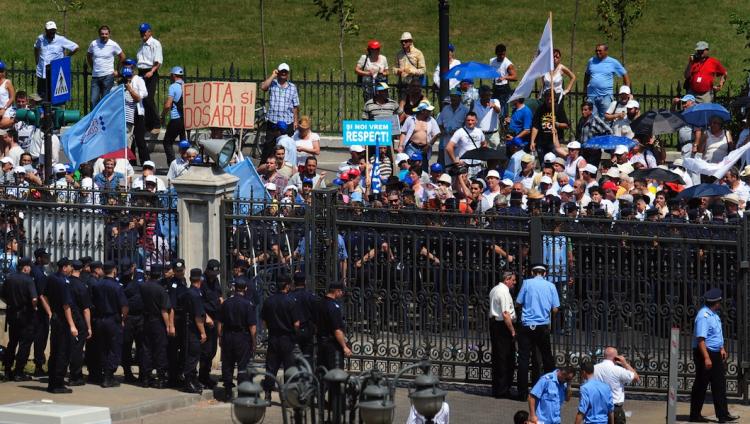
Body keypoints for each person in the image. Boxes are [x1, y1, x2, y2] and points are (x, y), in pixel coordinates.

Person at [689, 289, 739, 423]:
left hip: (715, 352)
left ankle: (723, 414)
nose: (720, 303)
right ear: (715, 302)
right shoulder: (703, 316)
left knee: (719, 384)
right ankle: (694, 415)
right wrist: (706, 357)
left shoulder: (714, 315)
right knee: (701, 384)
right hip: (705, 353)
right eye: (719, 301)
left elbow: (717, 334)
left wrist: (721, 348)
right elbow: (701, 340)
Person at [515, 263, 560, 400]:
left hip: (527, 325)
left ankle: (522, 393)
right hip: (542, 325)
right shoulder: (551, 286)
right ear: (545, 273)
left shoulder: (527, 283)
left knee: (523, 358)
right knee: (547, 358)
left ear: (533, 272)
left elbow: (518, 302)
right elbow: (555, 308)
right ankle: (550, 389)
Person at [217, 274, 257, 400]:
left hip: (228, 335)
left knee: (228, 364)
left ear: (234, 288)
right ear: (245, 288)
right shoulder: (248, 304)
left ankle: (228, 390)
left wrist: (220, 336)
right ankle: (241, 393)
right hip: (242, 337)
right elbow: (252, 326)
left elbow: (220, 322)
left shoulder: (226, 303)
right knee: (242, 365)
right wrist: (254, 341)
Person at [260, 274, 299, 400]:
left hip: (273, 337)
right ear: (287, 286)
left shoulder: (268, 301)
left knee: (271, 368)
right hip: (287, 338)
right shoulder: (291, 301)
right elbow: (296, 323)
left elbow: (264, 322)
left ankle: (267, 394)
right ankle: (289, 396)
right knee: (289, 368)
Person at [91, 261, 129, 388]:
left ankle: (104, 373)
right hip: (112, 320)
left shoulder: (97, 284)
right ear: (114, 271)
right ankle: (108, 376)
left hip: (100, 319)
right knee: (114, 347)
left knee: (103, 347)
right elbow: (124, 306)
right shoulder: (117, 286)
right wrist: (123, 318)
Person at [44, 257, 78, 393]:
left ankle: (52, 382)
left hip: (55, 318)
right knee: (62, 352)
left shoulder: (51, 278)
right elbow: (66, 306)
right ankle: (57, 384)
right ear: (64, 268)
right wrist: (72, 325)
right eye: (70, 266)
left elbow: (44, 296)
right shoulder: (63, 282)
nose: (71, 269)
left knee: (55, 351)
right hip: (63, 321)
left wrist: (50, 312)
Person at [1, 258, 37, 382]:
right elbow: (33, 299)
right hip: (26, 315)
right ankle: (19, 372)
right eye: (29, 267)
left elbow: (3, 295)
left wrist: (11, 303)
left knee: (12, 343)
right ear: (25, 267)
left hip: (12, 314)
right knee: (24, 344)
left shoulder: (9, 278)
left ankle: (7, 370)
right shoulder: (28, 280)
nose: (30, 269)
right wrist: (35, 307)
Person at [139, 264, 171, 388]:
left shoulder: (142, 286)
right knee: (160, 349)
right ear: (160, 274)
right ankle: (161, 378)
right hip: (157, 321)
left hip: (145, 320)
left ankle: (146, 378)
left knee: (146, 349)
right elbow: (164, 310)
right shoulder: (161, 289)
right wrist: (168, 325)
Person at [178, 268, 208, 394]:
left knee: (191, 355)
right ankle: (188, 382)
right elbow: (198, 316)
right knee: (193, 356)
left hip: (186, 327)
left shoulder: (188, 292)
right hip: (193, 330)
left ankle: (193, 380)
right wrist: (203, 332)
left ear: (190, 279)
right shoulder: (195, 294)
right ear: (200, 279)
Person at [34, 21, 79, 100]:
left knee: (54, 96)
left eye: (53, 30)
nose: (52, 32)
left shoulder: (61, 39)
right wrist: (36, 60)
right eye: (50, 30)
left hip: (55, 72)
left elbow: (75, 47)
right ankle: (42, 111)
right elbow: (36, 47)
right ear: (46, 30)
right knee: (40, 96)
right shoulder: (40, 38)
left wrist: (66, 58)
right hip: (42, 72)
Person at [593, 347, 640, 424]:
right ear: (616, 358)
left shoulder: (595, 368)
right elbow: (636, 378)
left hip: (598, 407)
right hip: (615, 407)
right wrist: (625, 364)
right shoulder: (618, 370)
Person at [489, 271, 517, 398]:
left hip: (495, 324)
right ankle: (503, 389)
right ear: (507, 280)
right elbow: (506, 314)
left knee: (498, 357)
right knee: (505, 358)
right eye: (513, 280)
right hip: (503, 326)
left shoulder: (494, 289)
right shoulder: (504, 292)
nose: (514, 282)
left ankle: (497, 388)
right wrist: (512, 330)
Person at [584, 44, 630, 118]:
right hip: (592, 95)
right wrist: (585, 89)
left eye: (600, 51)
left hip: (606, 96)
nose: (598, 52)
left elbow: (624, 74)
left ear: (606, 51)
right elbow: (587, 75)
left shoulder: (613, 62)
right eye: (596, 51)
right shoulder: (591, 61)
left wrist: (627, 90)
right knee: (591, 119)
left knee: (606, 119)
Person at [66, 260, 92, 387]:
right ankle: (75, 376)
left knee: (66, 347)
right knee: (77, 349)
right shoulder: (81, 286)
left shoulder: (65, 282)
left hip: (66, 318)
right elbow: (86, 309)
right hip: (78, 319)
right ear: (81, 270)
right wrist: (89, 327)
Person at [119, 60, 150, 165]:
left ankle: (146, 161)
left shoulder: (138, 80)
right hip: (126, 112)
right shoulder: (122, 81)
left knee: (139, 138)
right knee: (128, 137)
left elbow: (142, 95)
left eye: (130, 67)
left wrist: (131, 89)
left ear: (133, 69)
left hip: (137, 112)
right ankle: (131, 161)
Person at [119, 258, 144, 384]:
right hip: (127, 318)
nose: (127, 273)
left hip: (141, 316)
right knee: (126, 345)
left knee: (142, 346)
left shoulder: (141, 275)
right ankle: (127, 373)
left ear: (133, 267)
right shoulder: (120, 279)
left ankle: (143, 374)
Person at [87, 25, 125, 108]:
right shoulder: (94, 44)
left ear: (109, 34)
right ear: (99, 34)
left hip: (108, 76)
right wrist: (93, 67)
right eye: (102, 34)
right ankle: (94, 120)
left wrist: (118, 70)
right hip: (96, 76)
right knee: (93, 100)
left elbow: (122, 57)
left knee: (105, 101)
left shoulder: (113, 45)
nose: (104, 36)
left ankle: (104, 120)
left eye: (106, 34)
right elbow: (88, 56)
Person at [317, 282, 352, 372]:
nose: (341, 294)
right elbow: (337, 330)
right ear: (336, 291)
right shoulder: (333, 306)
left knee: (322, 371)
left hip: (321, 342)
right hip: (332, 345)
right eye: (341, 292)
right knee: (335, 373)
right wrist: (344, 347)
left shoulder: (320, 303)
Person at [199, 259, 223, 389]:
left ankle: (206, 376)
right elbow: (199, 303)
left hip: (215, 318)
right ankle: (202, 377)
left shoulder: (215, 281)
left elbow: (218, 295)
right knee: (206, 351)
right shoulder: (202, 282)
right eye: (213, 274)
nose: (215, 276)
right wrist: (206, 317)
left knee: (213, 350)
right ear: (207, 271)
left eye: (216, 274)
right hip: (205, 320)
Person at [136, 23, 163, 134]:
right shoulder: (142, 45)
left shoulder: (155, 44)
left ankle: (156, 124)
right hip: (141, 72)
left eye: (144, 32)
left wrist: (152, 71)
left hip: (150, 72)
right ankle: (147, 124)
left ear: (149, 32)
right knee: (142, 99)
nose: (143, 34)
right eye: (141, 32)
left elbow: (158, 61)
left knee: (149, 98)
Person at [398, 100, 441, 170]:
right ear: (422, 111)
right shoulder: (410, 119)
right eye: (428, 110)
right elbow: (403, 133)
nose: (430, 112)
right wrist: (400, 146)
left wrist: (429, 145)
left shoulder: (431, 120)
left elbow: (437, 133)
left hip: (424, 149)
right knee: (409, 168)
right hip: (411, 147)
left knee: (423, 169)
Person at [261, 63, 300, 137]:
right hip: (273, 120)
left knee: (286, 146)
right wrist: (273, 75)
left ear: (288, 73)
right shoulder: (272, 83)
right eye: (282, 71)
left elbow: (295, 105)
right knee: (270, 145)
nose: (284, 73)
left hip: (287, 121)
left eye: (285, 71)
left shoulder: (292, 87)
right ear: (278, 72)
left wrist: (295, 121)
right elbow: (263, 87)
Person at [288, 271, 318, 364]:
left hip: (292, 329)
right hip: (307, 329)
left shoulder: (289, 296)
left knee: (292, 358)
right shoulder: (310, 296)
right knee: (308, 357)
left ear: (294, 282)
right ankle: (307, 377)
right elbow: (316, 314)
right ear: (305, 282)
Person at [530, 91, 570, 160]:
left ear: (554, 99)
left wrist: (557, 124)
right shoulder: (540, 109)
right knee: (543, 163)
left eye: (551, 99)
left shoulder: (558, 108)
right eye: (547, 99)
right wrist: (532, 141)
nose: (549, 101)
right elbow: (535, 126)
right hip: (542, 141)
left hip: (554, 142)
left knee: (554, 163)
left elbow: (566, 125)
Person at [31, 248, 52, 378]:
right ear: (39, 258)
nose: (47, 259)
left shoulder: (40, 271)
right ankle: (38, 366)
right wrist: (49, 310)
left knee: (41, 338)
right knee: (40, 338)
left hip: (40, 310)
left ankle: (39, 364)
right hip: (40, 311)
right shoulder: (38, 272)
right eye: (45, 257)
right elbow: (41, 295)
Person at [446, 112, 485, 177]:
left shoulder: (479, 131)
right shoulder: (460, 132)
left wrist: (483, 157)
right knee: (464, 185)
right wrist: (455, 161)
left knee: (476, 185)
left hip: (477, 165)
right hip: (464, 165)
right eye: (468, 120)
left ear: (476, 121)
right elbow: (449, 147)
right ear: (465, 120)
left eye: (472, 120)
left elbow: (484, 144)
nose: (470, 122)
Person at [161, 66, 186, 166]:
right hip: (186, 119)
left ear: (173, 75)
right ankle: (186, 164)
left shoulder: (173, 86)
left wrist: (162, 115)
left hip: (176, 118)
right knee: (184, 143)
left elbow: (168, 105)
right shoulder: (186, 86)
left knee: (167, 142)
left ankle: (173, 166)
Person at [436, 90, 468, 165]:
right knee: (448, 165)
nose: (453, 99)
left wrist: (458, 131)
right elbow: (439, 122)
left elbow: (467, 124)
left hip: (460, 142)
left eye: (455, 97)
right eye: (452, 97)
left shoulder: (465, 110)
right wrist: (442, 130)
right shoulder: (445, 109)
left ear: (460, 98)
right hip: (447, 140)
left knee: (459, 163)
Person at [489, 44, 517, 117]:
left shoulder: (508, 64)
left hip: (504, 88)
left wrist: (504, 77)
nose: (502, 56)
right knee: (494, 105)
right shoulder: (492, 61)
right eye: (500, 54)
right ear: (496, 53)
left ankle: (504, 125)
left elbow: (514, 77)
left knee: (504, 109)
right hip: (495, 87)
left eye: (503, 54)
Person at [0, 61, 17, 129]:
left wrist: (4, 109)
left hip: (6, 109)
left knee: (2, 125)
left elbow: (12, 97)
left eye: (1, 71)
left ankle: (15, 120)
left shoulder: (7, 82)